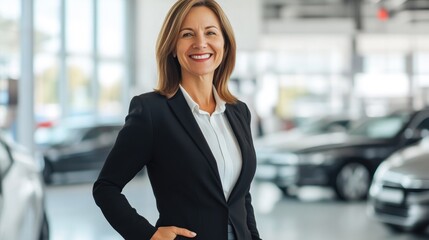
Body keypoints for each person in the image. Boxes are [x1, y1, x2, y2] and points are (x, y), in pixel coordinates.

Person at [93, 0, 262, 239]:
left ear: (224, 43)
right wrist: (147, 235)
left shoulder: (238, 112)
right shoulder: (152, 111)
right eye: (187, 34)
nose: (200, 43)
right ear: (173, 46)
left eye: (210, 32)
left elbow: (241, 197)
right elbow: (106, 188)